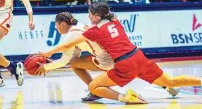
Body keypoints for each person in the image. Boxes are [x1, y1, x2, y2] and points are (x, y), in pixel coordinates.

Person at [40, 1, 202, 104]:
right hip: (138, 56)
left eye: (90, 14)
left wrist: (48, 52)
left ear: (96, 16)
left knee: (93, 87)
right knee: (170, 81)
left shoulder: (94, 31)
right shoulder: (116, 21)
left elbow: (67, 46)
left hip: (123, 64)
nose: (89, 17)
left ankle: (126, 97)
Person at [36, 12, 180, 101]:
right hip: (115, 54)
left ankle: (95, 91)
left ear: (62, 24)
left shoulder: (72, 34)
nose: (56, 28)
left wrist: (46, 67)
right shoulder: (80, 26)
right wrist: (52, 62)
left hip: (107, 59)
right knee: (133, 72)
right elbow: (75, 54)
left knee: (75, 64)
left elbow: (66, 60)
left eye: (56, 26)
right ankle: (166, 85)